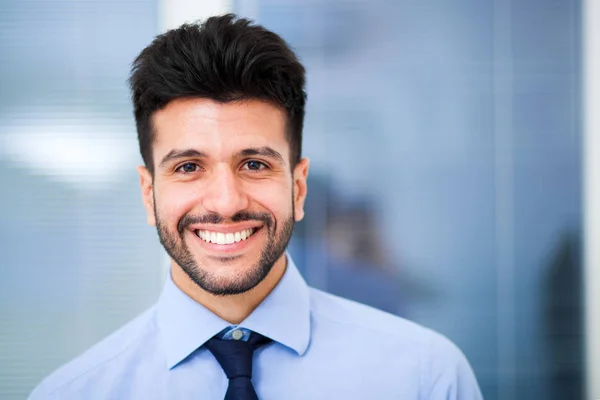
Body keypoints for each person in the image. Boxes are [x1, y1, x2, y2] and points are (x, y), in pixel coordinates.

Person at [28, 14, 483, 399]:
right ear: (148, 194)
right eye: (188, 166)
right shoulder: (72, 392)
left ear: (298, 187)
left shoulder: (425, 377)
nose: (226, 203)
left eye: (253, 163)